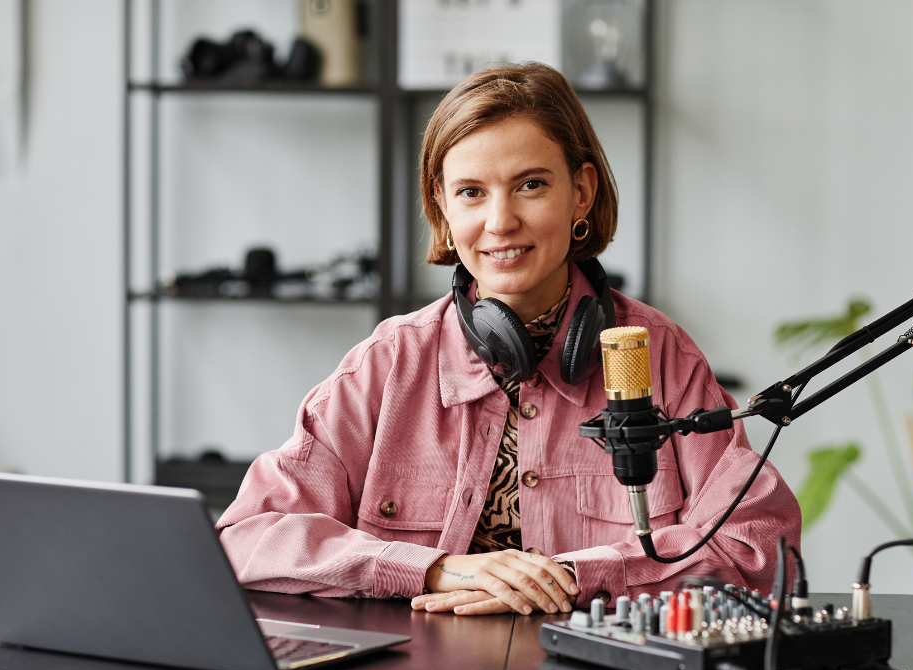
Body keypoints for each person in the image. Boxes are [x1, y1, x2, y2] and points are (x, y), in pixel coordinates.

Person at [216, 63, 800, 617]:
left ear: (581, 192)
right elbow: (247, 536)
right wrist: (433, 569)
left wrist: (573, 576)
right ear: (441, 204)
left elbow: (759, 546)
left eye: (530, 185)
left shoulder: (660, 356)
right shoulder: (388, 364)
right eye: (471, 192)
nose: (500, 222)